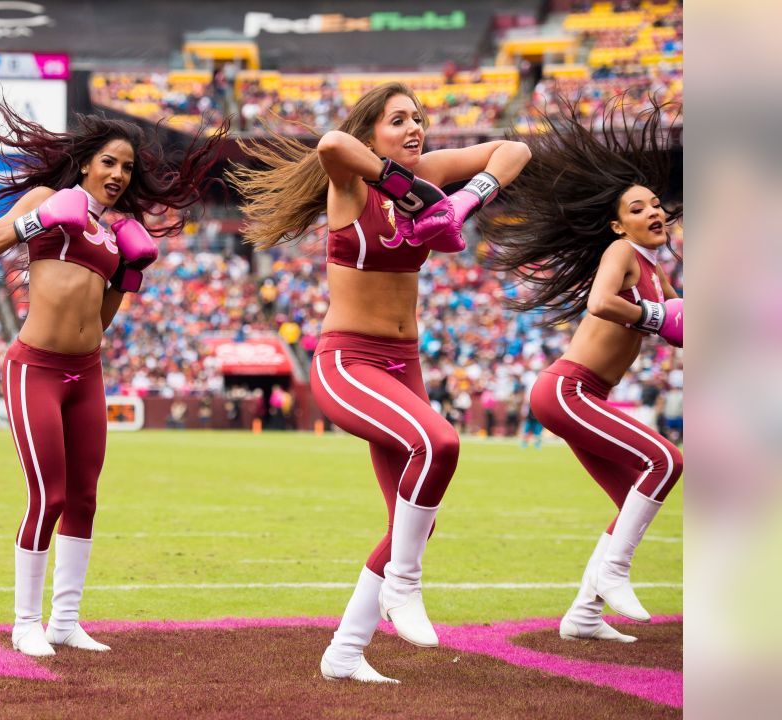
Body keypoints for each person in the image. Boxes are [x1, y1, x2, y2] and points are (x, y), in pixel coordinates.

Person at [232, 81, 530, 682]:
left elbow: (515, 149)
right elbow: (332, 143)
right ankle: (403, 587)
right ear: (375, 133)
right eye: (399, 120)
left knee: (413, 517)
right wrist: (412, 190)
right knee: (440, 443)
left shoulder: (437, 168)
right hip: (349, 362)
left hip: (405, 361)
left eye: (419, 118)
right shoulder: (352, 182)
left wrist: (466, 200)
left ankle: (345, 651)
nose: (415, 127)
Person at [0, 97, 223, 657]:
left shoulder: (117, 232)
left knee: (84, 497)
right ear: (85, 164)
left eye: (126, 168)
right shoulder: (47, 200)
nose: (118, 174)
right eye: (109, 162)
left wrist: (127, 279)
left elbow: (99, 322)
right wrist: (37, 220)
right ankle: (24, 621)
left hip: (87, 372)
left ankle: (66, 621)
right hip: (35, 367)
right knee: (47, 497)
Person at [481, 97, 683, 643]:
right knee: (666, 459)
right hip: (568, 390)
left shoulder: (656, 273)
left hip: (585, 395)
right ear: (619, 225)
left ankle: (584, 614)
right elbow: (600, 304)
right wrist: (657, 313)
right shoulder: (620, 255)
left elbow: (682, 322)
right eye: (638, 208)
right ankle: (613, 574)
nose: (653, 211)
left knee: (631, 502)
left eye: (656, 204)